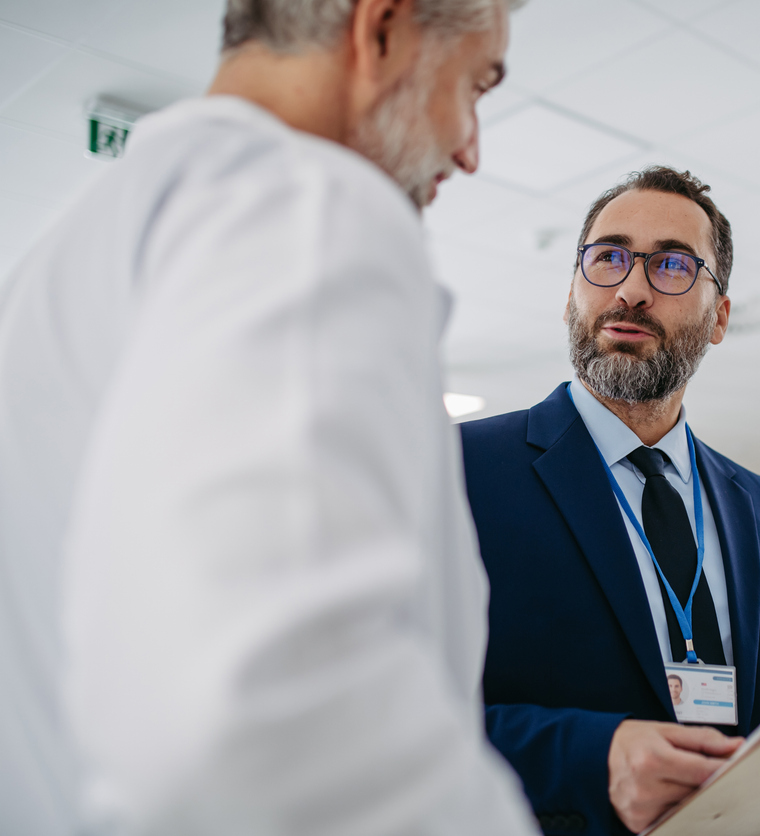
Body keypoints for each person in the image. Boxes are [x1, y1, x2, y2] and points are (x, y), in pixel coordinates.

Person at [0, 1, 540, 834]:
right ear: (381, 30)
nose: (469, 148)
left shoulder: (60, 261)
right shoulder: (307, 204)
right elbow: (255, 722)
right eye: (474, 84)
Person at [460, 166, 760, 836]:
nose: (630, 289)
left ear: (719, 318)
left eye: (673, 267)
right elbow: (383, 711)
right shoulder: (460, 469)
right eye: (608, 259)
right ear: (570, 295)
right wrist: (593, 756)